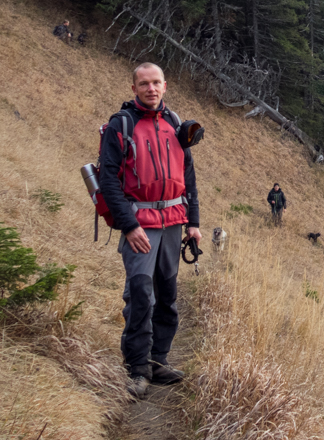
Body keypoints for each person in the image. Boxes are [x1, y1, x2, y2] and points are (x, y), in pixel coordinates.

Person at [98, 63, 202, 399]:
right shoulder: (121, 125)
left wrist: (194, 223)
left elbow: (188, 177)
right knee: (142, 294)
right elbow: (109, 182)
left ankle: (159, 360)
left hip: (173, 222)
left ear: (165, 86)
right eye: (144, 84)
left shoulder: (175, 124)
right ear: (134, 89)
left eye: (156, 83)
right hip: (140, 224)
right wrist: (129, 227)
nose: (151, 89)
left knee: (167, 295)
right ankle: (138, 368)